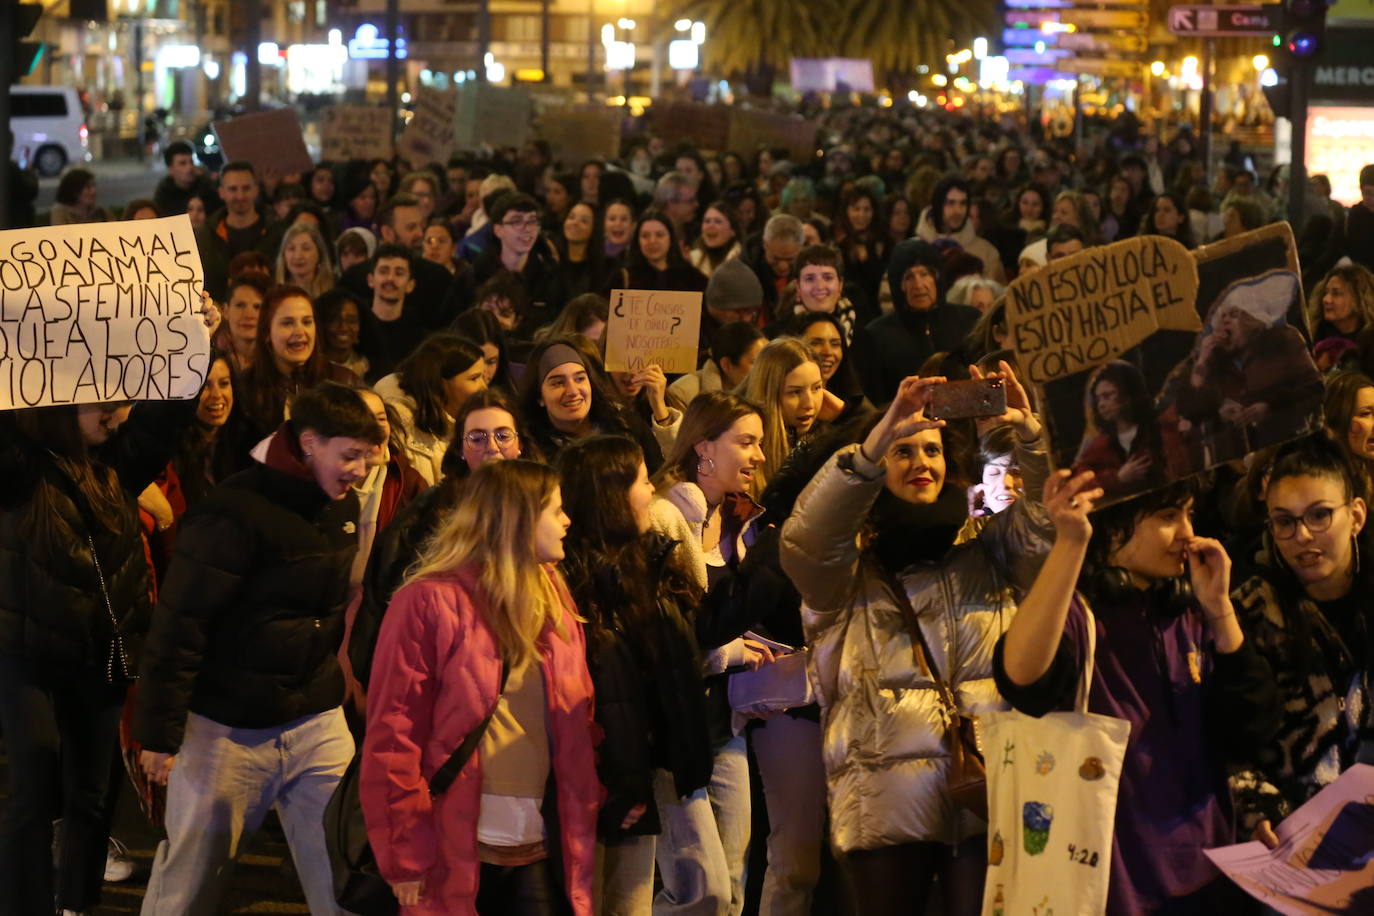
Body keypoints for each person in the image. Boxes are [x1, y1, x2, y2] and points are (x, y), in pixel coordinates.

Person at [780, 368, 1049, 916]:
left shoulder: (985, 544)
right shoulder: (843, 571)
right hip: (888, 810)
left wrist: (1015, 435)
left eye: (931, 450)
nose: (920, 462)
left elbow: (1041, 531)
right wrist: (877, 437)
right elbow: (807, 539)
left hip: (985, 793)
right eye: (903, 453)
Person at [134, 383, 384, 915]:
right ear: (310, 442)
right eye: (351, 456)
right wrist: (157, 735)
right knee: (189, 888)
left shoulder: (342, 507)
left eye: (367, 456)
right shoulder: (231, 515)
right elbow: (181, 626)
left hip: (316, 723)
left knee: (346, 875)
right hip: (227, 732)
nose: (361, 471)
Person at [0, 300, 215, 916]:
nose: (120, 411)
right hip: (28, 658)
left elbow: (165, 418)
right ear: (64, 398)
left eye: (124, 399)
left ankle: (76, 906)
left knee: (94, 796)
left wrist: (193, 338)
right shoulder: (17, 468)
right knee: (34, 790)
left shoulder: (118, 462)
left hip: (103, 653)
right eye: (105, 399)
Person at [994, 472, 1278, 914]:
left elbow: (1252, 729)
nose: (1187, 533)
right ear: (1114, 524)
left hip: (1208, 868)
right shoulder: (1078, 614)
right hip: (1114, 881)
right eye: (1168, 516)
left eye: (1189, 514)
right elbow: (1021, 678)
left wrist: (1220, 609)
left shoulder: (1191, 608)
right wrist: (1070, 542)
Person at [359, 460, 600, 915]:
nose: (567, 521)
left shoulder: (556, 597)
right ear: (517, 518)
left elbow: (577, 722)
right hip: (456, 840)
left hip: (542, 839)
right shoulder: (428, 601)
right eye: (556, 510)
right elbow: (394, 735)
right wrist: (405, 853)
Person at [556, 436, 716, 914]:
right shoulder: (573, 582)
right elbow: (604, 699)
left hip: (639, 776)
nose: (652, 493)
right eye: (644, 482)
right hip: (595, 784)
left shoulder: (646, 564)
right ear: (611, 496)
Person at [651, 391, 776, 916]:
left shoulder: (743, 521)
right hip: (673, 730)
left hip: (725, 724)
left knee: (732, 877)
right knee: (700, 889)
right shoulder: (664, 517)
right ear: (704, 446)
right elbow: (666, 637)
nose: (760, 457)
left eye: (761, 444)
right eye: (746, 442)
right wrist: (731, 652)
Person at [1229, 436, 1373, 850]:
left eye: (1320, 515)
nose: (1303, 535)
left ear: (1356, 515)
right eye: (1284, 521)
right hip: (1298, 843)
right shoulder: (1250, 612)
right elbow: (1230, 741)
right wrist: (1257, 807)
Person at [1175, 271, 1324, 467]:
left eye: (1234, 314)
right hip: (1234, 466)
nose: (1225, 321)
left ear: (1253, 319)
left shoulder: (1284, 340)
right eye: (1222, 316)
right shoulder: (1214, 358)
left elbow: (1315, 389)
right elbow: (1188, 411)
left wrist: (1270, 406)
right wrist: (1202, 363)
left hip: (1289, 454)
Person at [518, 337, 679, 471]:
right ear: (539, 397)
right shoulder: (529, 448)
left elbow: (664, 479)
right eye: (558, 383)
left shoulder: (626, 425)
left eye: (580, 378)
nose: (573, 391)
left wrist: (660, 409)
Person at [852, 239, 981, 405]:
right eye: (909, 277)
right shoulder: (876, 335)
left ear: (937, 278)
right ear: (898, 286)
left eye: (924, 274)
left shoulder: (970, 320)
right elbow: (875, 400)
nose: (918, 284)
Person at [237, 285, 357, 446]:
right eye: (288, 323)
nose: (300, 331)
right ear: (267, 333)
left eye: (307, 322)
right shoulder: (244, 387)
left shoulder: (343, 381)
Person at [373, 333, 489, 486]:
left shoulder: (475, 418)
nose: (484, 387)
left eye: (483, 377)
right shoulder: (401, 425)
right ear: (441, 382)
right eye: (474, 378)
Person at [738, 337, 831, 495]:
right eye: (795, 392)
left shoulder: (826, 435)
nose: (809, 403)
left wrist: (845, 413)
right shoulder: (742, 442)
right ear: (769, 394)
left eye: (816, 388)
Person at [474, 192, 568, 337]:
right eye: (517, 221)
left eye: (532, 221)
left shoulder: (551, 275)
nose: (527, 228)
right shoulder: (477, 273)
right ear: (498, 230)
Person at [1075, 361, 1167, 501]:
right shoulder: (1100, 445)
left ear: (1128, 394)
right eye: (1098, 399)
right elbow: (1080, 482)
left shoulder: (1158, 430)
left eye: (1108, 395)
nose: (1101, 404)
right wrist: (1116, 478)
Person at [197, 161, 271, 301]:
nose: (240, 196)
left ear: (256, 190)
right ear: (221, 192)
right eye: (233, 189)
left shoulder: (276, 232)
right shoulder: (206, 236)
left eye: (246, 188)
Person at [915, 175, 1006, 283]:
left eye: (963, 203)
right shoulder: (913, 250)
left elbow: (998, 294)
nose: (958, 211)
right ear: (938, 205)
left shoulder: (986, 252)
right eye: (950, 203)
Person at [357, 243, 426, 382]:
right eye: (383, 271)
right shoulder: (356, 326)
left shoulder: (419, 336)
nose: (390, 279)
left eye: (399, 273)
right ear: (371, 280)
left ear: (410, 285)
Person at [668, 321, 766, 411]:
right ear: (726, 365)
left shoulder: (769, 389)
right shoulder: (684, 392)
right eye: (756, 362)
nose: (765, 368)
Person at [617, 209, 710, 294]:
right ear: (637, 241)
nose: (652, 241)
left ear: (671, 239)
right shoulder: (624, 277)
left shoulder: (691, 278)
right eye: (645, 236)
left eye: (659, 235)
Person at [831, 187, 891, 316]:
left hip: (876, 310)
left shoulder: (883, 241)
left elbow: (884, 280)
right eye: (856, 209)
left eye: (866, 209)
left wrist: (869, 260)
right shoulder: (838, 241)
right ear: (846, 211)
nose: (861, 215)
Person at [1309, 263, 1374, 348]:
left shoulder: (1369, 343)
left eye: (1336, 293)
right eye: (1326, 292)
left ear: (1359, 301)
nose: (1326, 299)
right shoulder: (1312, 336)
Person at [213, 273, 268, 374]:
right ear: (225, 310)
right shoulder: (210, 360)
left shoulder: (278, 361)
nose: (249, 315)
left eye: (257, 307)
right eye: (240, 305)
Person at [555, 201, 610, 298]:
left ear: (594, 229)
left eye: (584, 221)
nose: (575, 223)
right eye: (571, 217)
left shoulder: (605, 269)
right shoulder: (551, 260)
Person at [316, 287, 370, 380]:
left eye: (351, 320)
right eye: (334, 320)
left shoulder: (369, 367)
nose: (343, 327)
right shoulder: (311, 369)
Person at [274, 222, 335, 299]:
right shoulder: (273, 296)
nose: (298, 256)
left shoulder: (333, 294)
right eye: (291, 249)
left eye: (306, 248)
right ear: (283, 256)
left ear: (319, 254)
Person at [689, 201, 744, 278]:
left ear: (733, 231)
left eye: (718, 222)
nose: (710, 226)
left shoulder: (742, 259)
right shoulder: (692, 258)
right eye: (707, 221)